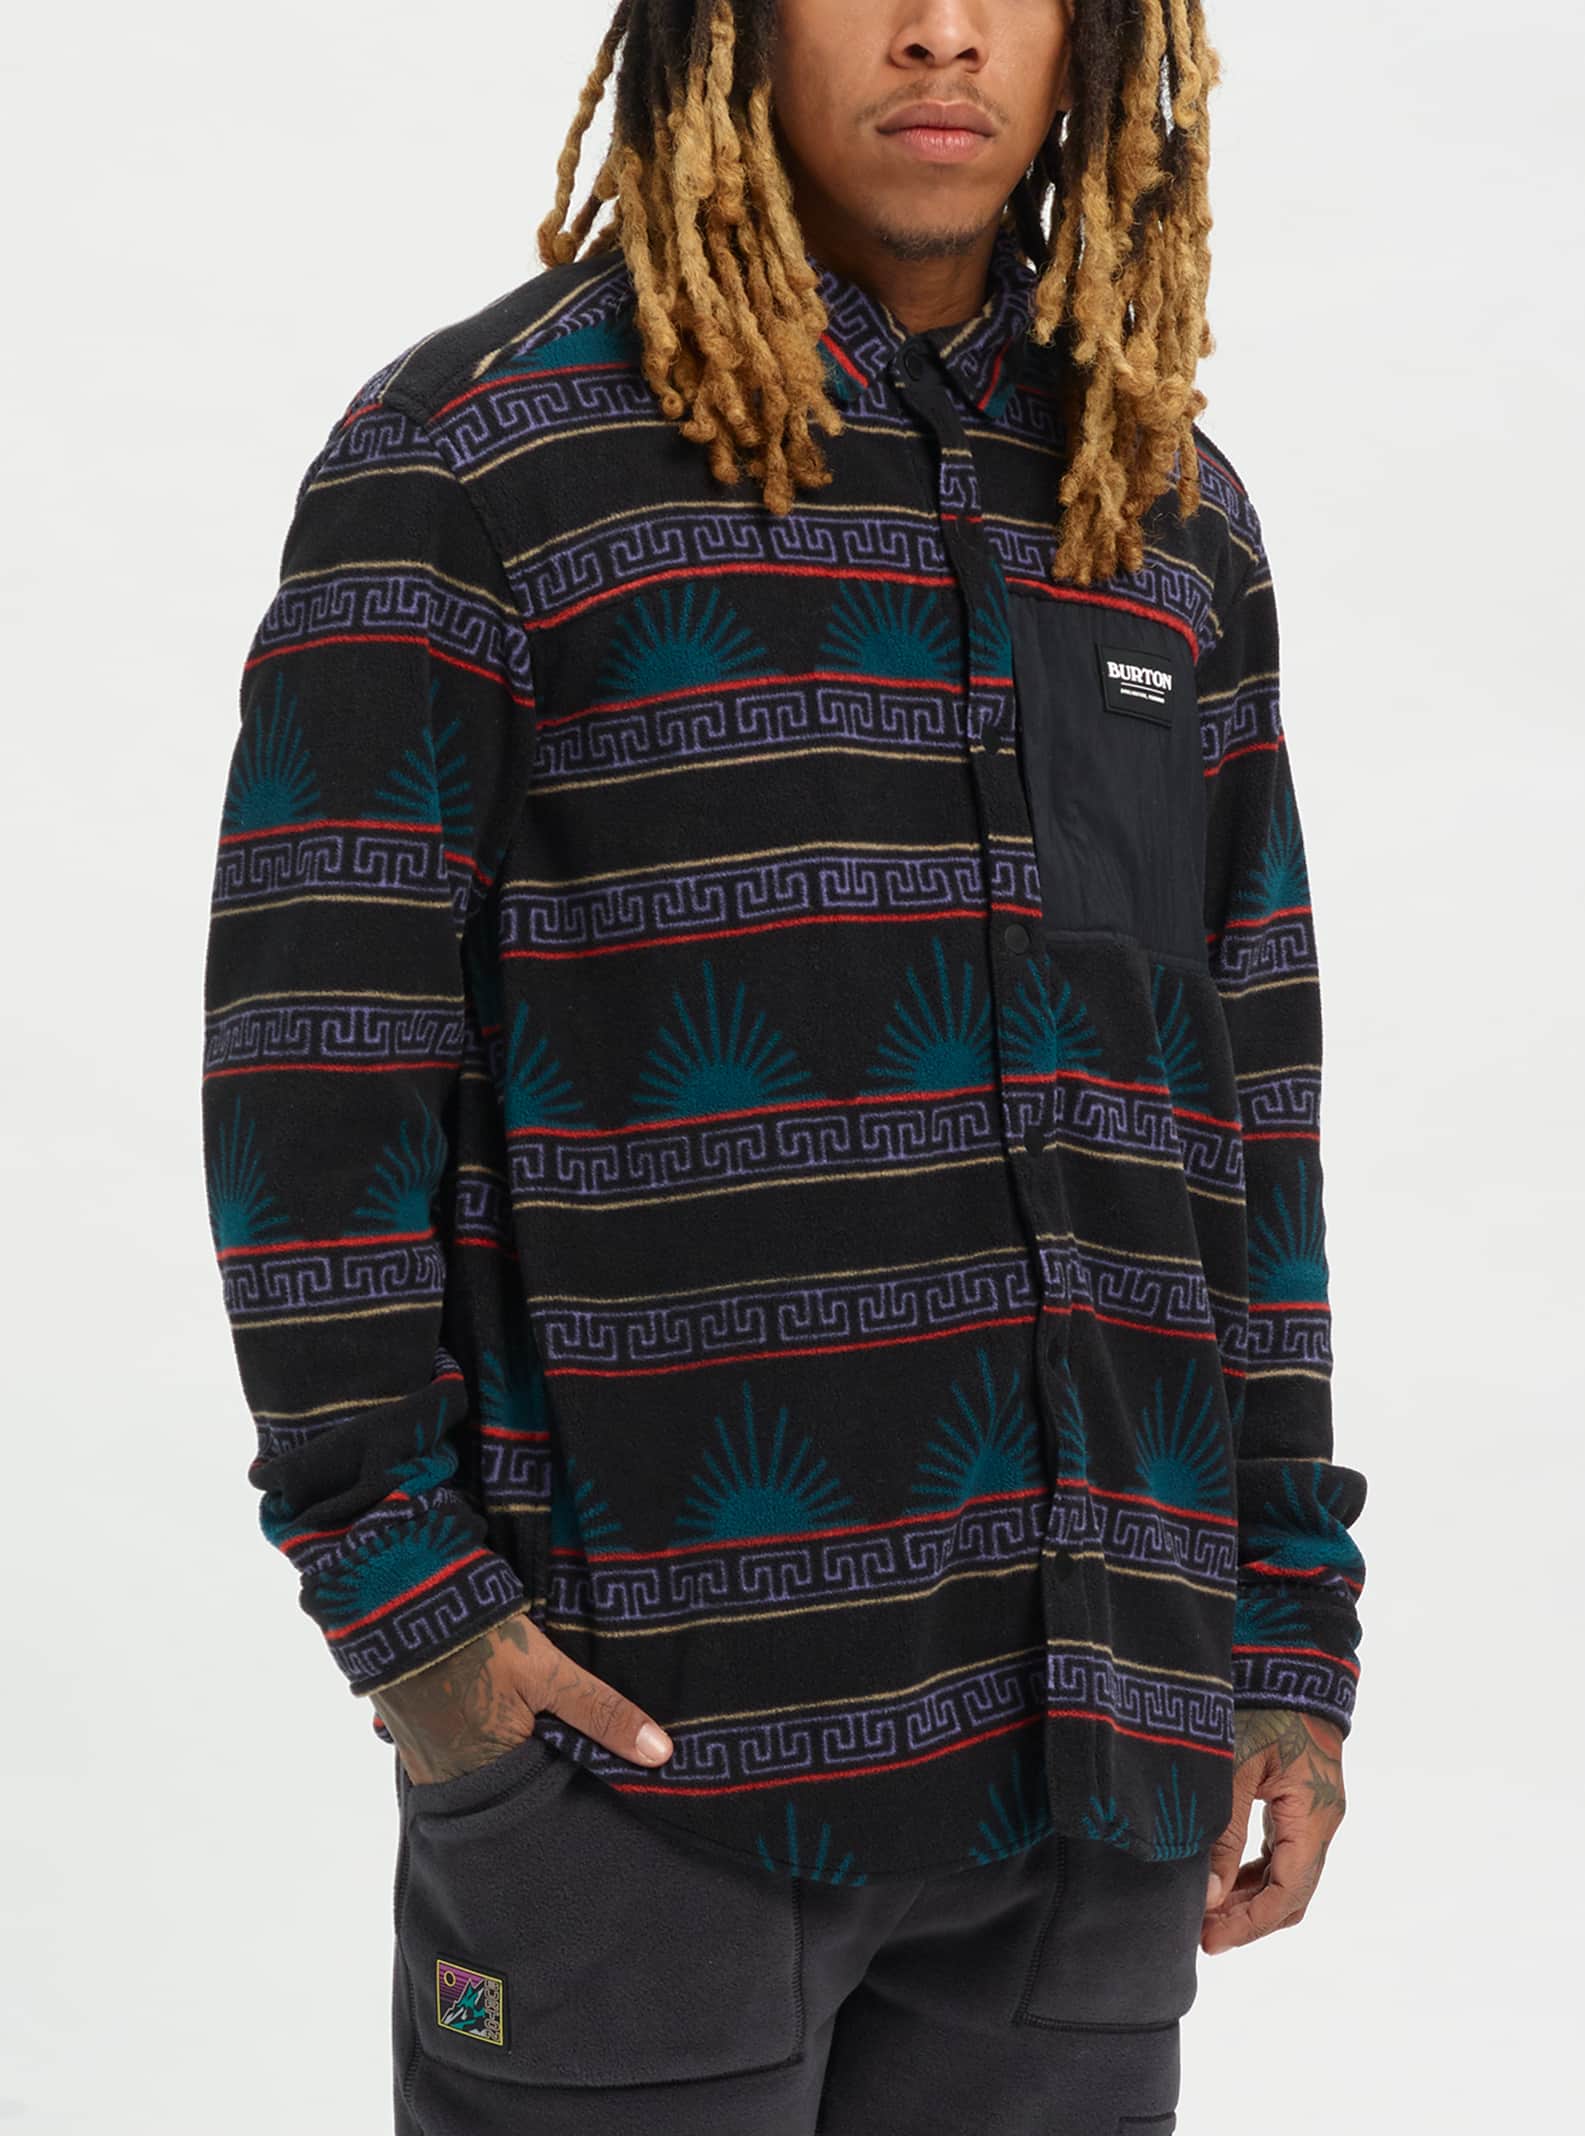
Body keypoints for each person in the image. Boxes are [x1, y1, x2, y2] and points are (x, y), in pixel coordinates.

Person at [201, 2, 1369, 2129]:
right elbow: (315, 1064)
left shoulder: (1160, 507)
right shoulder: (474, 460)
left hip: (1096, 1765)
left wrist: (1284, 1632)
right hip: (642, 1764)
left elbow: (1245, 1099)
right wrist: (414, 1616)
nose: (941, 29)